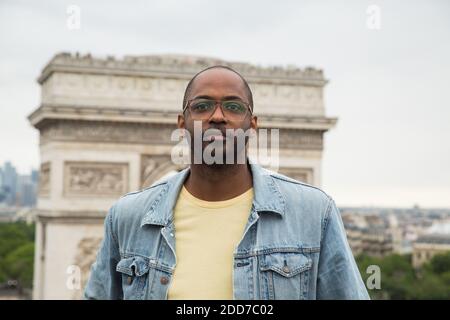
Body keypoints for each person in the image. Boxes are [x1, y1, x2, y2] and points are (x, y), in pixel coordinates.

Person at [84, 65, 369, 300]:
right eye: (202, 105)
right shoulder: (126, 217)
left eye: (233, 107)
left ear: (253, 124)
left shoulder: (315, 213)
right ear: (182, 123)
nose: (217, 117)